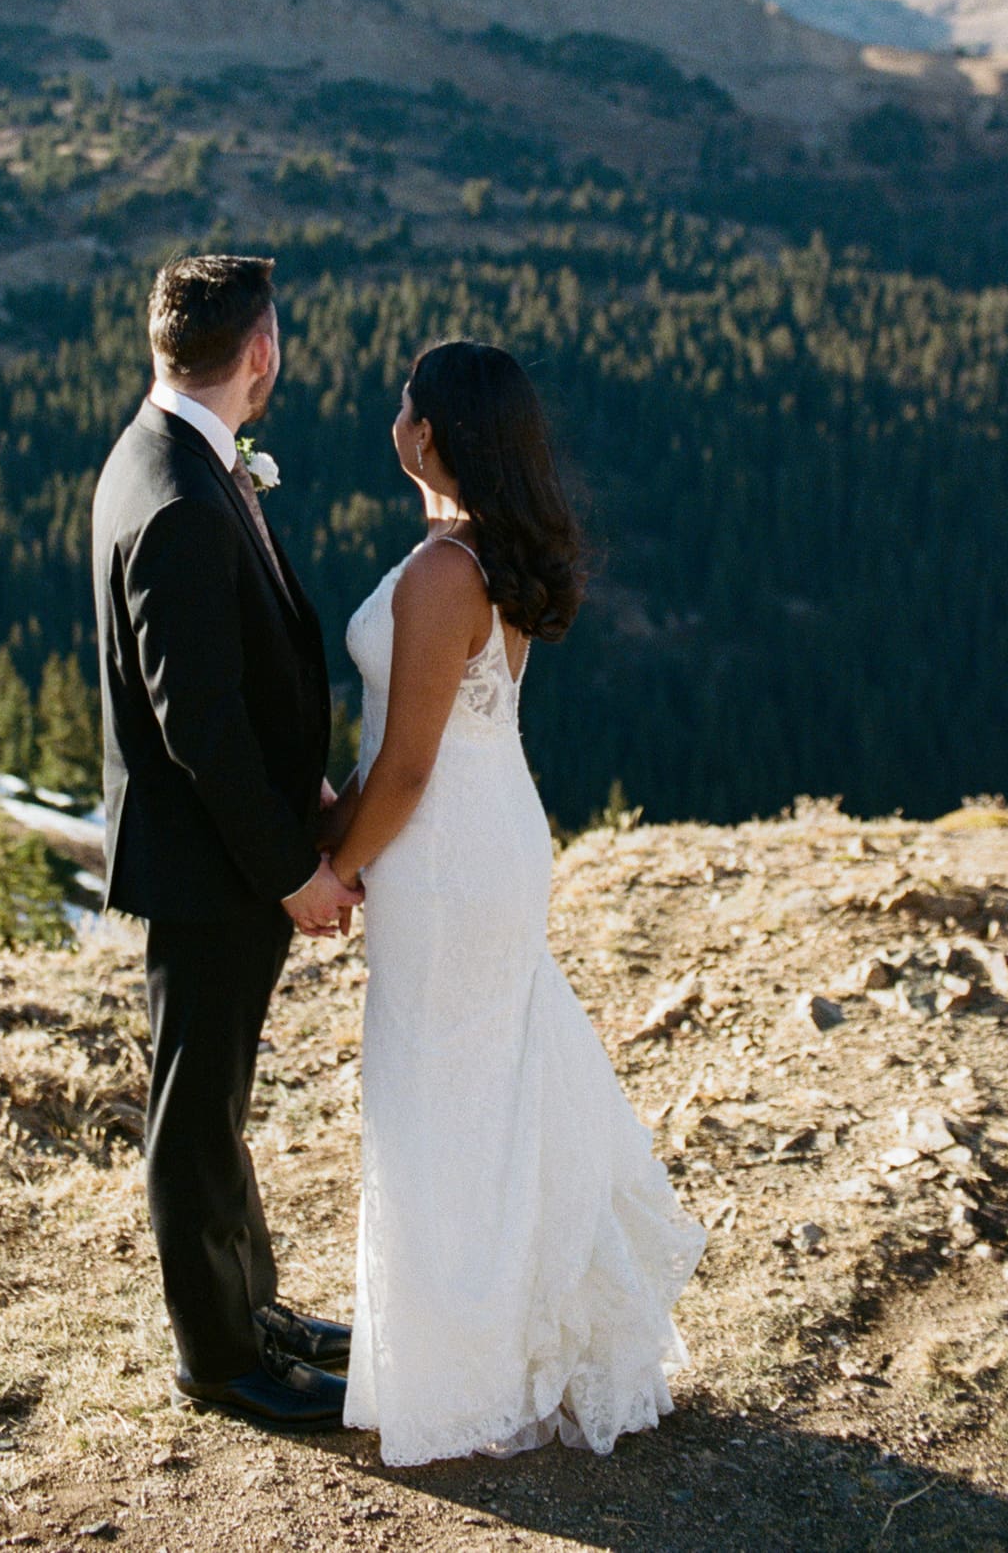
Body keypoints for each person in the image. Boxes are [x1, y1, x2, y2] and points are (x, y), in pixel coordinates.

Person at [326, 339, 705, 1465]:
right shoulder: (478, 550)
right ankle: (493, 1345)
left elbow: (407, 766)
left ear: (429, 432)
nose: (394, 415)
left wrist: (339, 864)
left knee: (439, 1093)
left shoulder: (446, 573)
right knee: (479, 1088)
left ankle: (465, 1372)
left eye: (405, 402)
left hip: (443, 850)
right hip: (483, 830)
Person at [91, 254, 358, 1432]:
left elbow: (225, 674)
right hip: (210, 865)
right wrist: (292, 869)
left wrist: (300, 777)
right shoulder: (179, 499)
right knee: (195, 1112)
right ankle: (218, 1356)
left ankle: (253, 1310)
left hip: (221, 847)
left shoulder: (178, 455)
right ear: (260, 351)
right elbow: (194, 723)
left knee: (218, 1096)